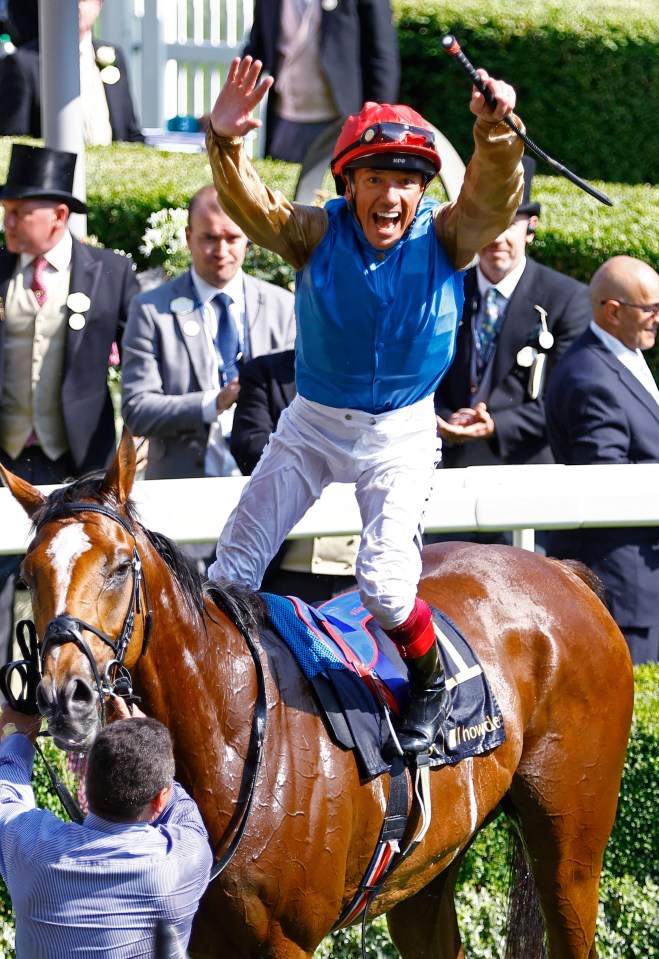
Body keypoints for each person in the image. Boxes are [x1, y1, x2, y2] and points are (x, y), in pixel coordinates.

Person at [204, 55, 524, 754]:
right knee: (228, 573)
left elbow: (492, 201)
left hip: (400, 436)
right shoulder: (314, 232)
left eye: (405, 181)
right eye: (374, 179)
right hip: (312, 426)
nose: (390, 195)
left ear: (422, 191)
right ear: (347, 184)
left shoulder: (448, 235)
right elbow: (253, 206)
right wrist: (224, 140)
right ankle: (224, 689)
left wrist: (494, 132)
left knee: (383, 584)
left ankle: (430, 680)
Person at [0, 143, 140, 664]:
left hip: (79, 457)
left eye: (19, 212)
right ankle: (7, 714)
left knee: (77, 584)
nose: (8, 222)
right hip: (6, 460)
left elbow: (139, 359)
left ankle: (77, 693)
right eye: (6, 211)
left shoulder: (109, 271)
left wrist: (137, 434)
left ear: (58, 216)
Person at [432, 155, 591, 547]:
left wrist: (495, 425)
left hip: (523, 482)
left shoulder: (568, 299)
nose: (497, 237)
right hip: (443, 480)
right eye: (487, 224)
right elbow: (412, 377)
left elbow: (563, 402)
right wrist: (436, 417)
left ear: (530, 228)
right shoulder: (444, 289)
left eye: (510, 224)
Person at [545, 255, 659, 665]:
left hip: (643, 577)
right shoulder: (590, 375)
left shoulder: (617, 352)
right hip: (620, 589)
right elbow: (605, 480)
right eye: (652, 309)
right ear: (613, 312)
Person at [0, 696, 212, 957]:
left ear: (86, 784)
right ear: (160, 798)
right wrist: (145, 751)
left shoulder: (31, 850)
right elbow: (181, 810)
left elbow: (6, 796)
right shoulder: (187, 858)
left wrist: (16, 734)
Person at [121, 185, 296, 482]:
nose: (221, 251)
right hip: (184, 485)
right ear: (189, 238)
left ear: (248, 239)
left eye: (232, 238)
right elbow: (137, 409)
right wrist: (213, 403)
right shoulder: (151, 310)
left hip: (269, 481)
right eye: (209, 238)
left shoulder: (282, 306)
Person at [231, 348, 358, 601]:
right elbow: (249, 447)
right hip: (288, 571)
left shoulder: (389, 375)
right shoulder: (264, 372)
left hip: (366, 572)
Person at [244, 0, 399, 163]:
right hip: (284, 122)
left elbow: (381, 56)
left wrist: (377, 121)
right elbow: (256, 48)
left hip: (342, 120)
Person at [0, 0, 143, 143]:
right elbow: (13, 138)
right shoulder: (23, 63)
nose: (77, 6)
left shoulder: (114, 56)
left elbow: (131, 132)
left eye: (84, 0)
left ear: (98, 6)